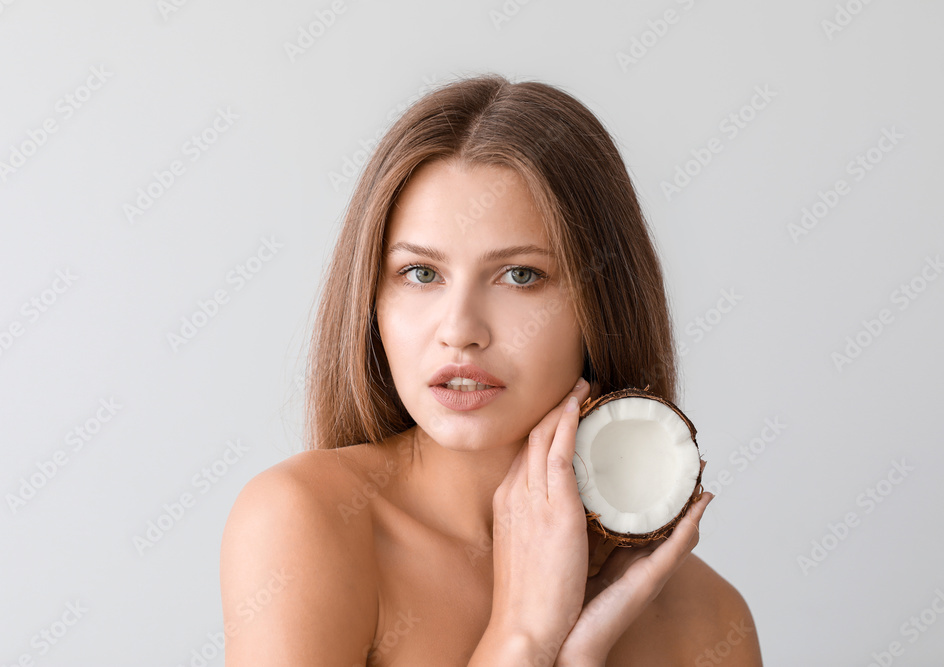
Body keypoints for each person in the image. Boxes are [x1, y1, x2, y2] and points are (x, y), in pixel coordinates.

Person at [220, 73, 763, 666]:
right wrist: (523, 637)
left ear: (601, 305)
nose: (460, 329)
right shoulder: (303, 522)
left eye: (521, 275)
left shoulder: (709, 621)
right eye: (421, 274)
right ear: (371, 299)